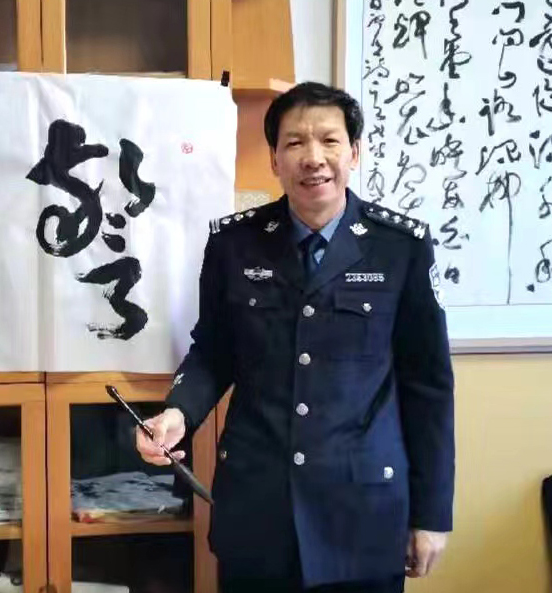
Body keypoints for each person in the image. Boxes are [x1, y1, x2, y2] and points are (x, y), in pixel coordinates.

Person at [136, 81, 455, 593]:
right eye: (295, 143)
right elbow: (214, 351)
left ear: (354, 153)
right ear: (274, 159)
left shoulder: (401, 247)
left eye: (329, 141)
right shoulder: (234, 243)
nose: (313, 158)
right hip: (259, 509)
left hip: (363, 511)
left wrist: (432, 514)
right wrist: (178, 413)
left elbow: (428, 387)